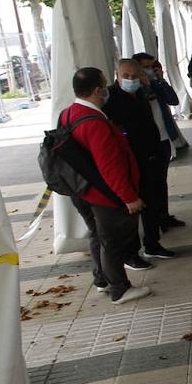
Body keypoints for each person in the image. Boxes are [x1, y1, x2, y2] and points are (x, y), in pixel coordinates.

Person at [62, 67, 151, 305]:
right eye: (104, 86)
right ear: (99, 90)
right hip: (101, 194)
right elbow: (109, 165)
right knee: (111, 240)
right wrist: (129, 197)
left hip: (81, 190)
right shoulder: (95, 123)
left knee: (98, 236)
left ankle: (101, 279)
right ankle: (119, 289)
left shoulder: (68, 113)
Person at [106, 58, 175, 263]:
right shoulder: (111, 99)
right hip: (129, 161)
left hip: (150, 157)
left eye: (134, 76)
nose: (130, 80)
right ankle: (130, 254)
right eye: (126, 76)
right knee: (131, 209)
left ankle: (152, 244)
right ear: (117, 76)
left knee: (152, 202)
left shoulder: (142, 93)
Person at [131, 52, 186, 232]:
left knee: (161, 181)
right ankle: (154, 219)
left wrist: (160, 80)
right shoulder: (134, 90)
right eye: (146, 67)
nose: (150, 70)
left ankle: (164, 215)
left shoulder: (156, 84)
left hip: (163, 139)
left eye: (152, 66)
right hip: (146, 143)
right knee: (150, 183)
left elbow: (173, 100)